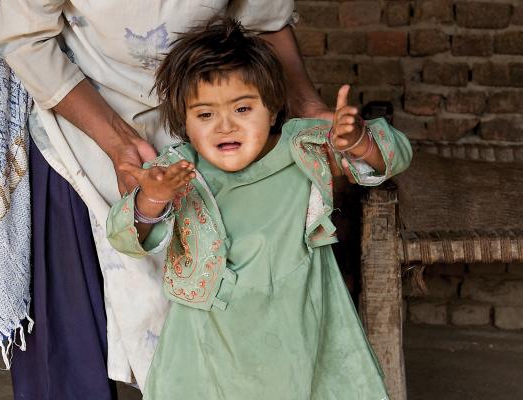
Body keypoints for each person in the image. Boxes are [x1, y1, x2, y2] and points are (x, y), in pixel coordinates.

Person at [0, 1, 339, 398]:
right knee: (73, 331)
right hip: (80, 114)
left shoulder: (223, 135)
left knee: (213, 313)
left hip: (199, 116)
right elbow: (24, 39)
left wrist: (309, 107)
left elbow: (264, 21)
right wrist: (116, 141)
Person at [106, 18, 412, 399]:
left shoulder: (304, 149)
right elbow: (124, 236)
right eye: (205, 115)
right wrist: (152, 199)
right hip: (208, 343)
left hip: (298, 325)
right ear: (182, 121)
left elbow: (395, 156)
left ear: (272, 108)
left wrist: (359, 142)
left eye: (243, 108)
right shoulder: (176, 173)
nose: (224, 126)